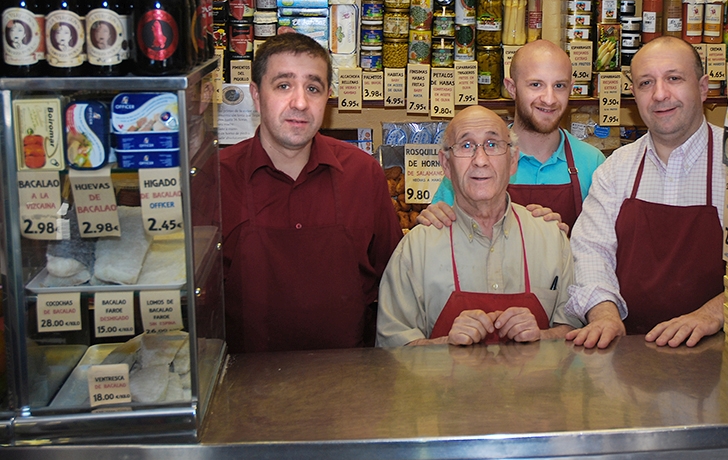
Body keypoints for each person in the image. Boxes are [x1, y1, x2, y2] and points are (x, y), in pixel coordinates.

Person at [221, 32, 402, 352]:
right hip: (243, 385)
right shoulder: (217, 177)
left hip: (347, 379)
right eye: (283, 85)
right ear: (256, 94)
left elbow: (395, 275)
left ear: (328, 98)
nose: (300, 102)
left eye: (313, 88)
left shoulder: (362, 173)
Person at [566, 36, 724, 351]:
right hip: (630, 359)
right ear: (634, 95)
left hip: (718, 354)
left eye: (674, 78)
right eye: (645, 83)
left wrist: (713, 313)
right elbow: (590, 251)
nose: (660, 94)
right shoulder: (616, 168)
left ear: (704, 88)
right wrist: (605, 314)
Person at [376, 105, 580, 348]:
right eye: (466, 146)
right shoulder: (415, 250)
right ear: (446, 164)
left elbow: (576, 334)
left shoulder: (551, 239)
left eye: (492, 145)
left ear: (513, 160)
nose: (480, 160)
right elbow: (390, 354)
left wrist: (542, 336)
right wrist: (444, 345)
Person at [420, 39, 605, 232]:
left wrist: (561, 244)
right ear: (512, 88)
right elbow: (440, 227)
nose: (549, 99)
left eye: (559, 86)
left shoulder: (592, 163)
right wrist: (432, 221)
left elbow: (602, 247)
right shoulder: (475, 162)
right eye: (536, 84)